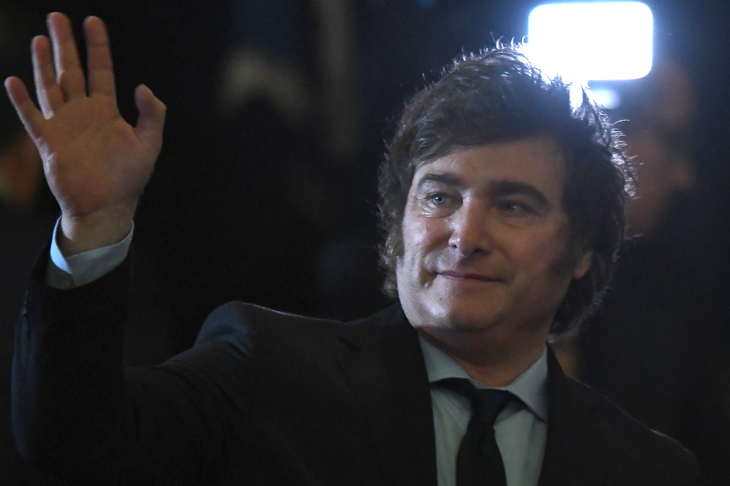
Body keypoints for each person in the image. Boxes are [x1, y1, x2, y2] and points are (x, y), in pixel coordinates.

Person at [5, 13, 699, 486]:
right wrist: (93, 227)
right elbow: (77, 442)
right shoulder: (267, 371)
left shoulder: (650, 470)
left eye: (513, 205)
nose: (465, 235)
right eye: (439, 197)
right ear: (399, 225)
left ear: (582, 249)